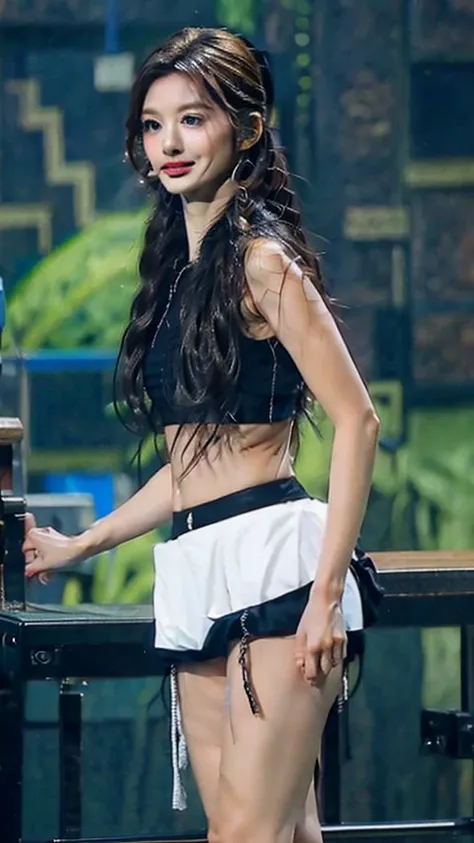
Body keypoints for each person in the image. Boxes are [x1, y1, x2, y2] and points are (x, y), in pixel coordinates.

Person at [23, 27, 381, 843]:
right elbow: (190, 466)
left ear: (247, 129)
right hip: (198, 567)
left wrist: (326, 595)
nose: (170, 144)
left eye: (193, 119)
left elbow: (358, 419)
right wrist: (82, 543)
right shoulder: (177, 275)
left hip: (277, 567)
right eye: (154, 125)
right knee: (276, 830)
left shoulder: (263, 261)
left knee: (246, 834)